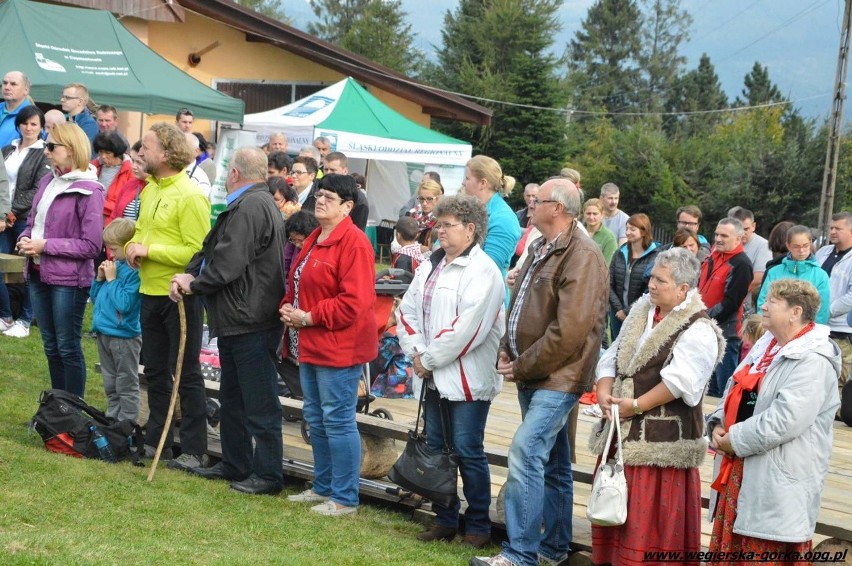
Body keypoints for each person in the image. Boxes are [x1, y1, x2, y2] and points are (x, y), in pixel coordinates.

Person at [473, 178, 608, 566]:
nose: (529, 203)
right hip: (535, 371)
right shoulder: (539, 245)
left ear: (560, 208)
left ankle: (520, 553)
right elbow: (520, 307)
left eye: (539, 199)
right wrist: (505, 346)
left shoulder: (582, 254)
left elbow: (570, 331)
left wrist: (522, 363)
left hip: (560, 376)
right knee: (553, 463)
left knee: (525, 452)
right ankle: (553, 547)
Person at [591, 248, 724, 565]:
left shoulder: (699, 328)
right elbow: (613, 356)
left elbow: (681, 383)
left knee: (652, 524)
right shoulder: (641, 311)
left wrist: (634, 406)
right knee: (614, 510)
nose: (651, 284)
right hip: (622, 432)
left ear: (683, 289)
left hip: (663, 445)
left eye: (660, 280)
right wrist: (604, 392)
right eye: (651, 277)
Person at [171, 147, 287, 496]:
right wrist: (190, 273)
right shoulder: (249, 204)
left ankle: (267, 474)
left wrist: (195, 283)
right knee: (234, 398)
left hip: (250, 318)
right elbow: (211, 251)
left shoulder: (251, 206)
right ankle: (236, 463)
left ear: (234, 173)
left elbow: (226, 263)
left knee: (260, 401)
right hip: (240, 317)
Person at [397, 194, 505, 548]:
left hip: (467, 380)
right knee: (438, 448)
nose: (439, 231)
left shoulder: (484, 271)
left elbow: (468, 329)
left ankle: (477, 526)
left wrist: (426, 360)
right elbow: (407, 312)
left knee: (468, 450)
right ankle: (444, 518)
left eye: (447, 225)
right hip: (432, 375)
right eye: (438, 224)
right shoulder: (430, 264)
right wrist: (417, 352)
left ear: (471, 229)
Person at [708, 279, 840, 558]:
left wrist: (735, 439)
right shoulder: (766, 346)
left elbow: (784, 420)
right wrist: (718, 424)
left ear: (795, 312)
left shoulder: (813, 360)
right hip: (742, 468)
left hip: (777, 479)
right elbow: (733, 389)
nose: (763, 306)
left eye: (772, 302)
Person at [281, 174, 377, 516]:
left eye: (329, 198)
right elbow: (299, 279)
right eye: (319, 195)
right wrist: (288, 305)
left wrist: (308, 317)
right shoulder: (316, 236)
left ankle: (345, 497)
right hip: (311, 341)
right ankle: (322, 487)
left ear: (348, 206)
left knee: (337, 419)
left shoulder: (354, 242)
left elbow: (354, 302)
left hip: (340, 345)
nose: (320, 201)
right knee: (315, 418)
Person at [126, 122, 210, 470]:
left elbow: (198, 251)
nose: (140, 152)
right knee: (157, 370)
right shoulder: (149, 190)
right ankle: (156, 440)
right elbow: (139, 234)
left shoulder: (190, 195)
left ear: (165, 153)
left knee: (187, 372)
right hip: (149, 291)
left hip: (180, 296)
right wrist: (132, 246)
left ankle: (195, 449)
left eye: (146, 147)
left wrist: (150, 250)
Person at [17, 123, 104, 396]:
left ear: (71, 149)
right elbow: (35, 221)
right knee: (51, 345)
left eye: (52, 146)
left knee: (67, 347)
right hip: (38, 272)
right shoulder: (48, 181)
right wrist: (26, 237)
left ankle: (73, 411)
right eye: (46, 144)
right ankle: (57, 408)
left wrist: (45, 245)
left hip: (68, 279)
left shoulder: (90, 189)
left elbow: (92, 245)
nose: (46, 151)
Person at [0, 105, 51, 337]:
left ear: (41, 128)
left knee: (26, 270)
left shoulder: (43, 153)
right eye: (25, 123)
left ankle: (25, 319)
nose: (29, 128)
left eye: (34, 124)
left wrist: (11, 212)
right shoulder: (7, 149)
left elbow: (38, 189)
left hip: (25, 219)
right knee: (1, 267)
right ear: (18, 124)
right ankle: (5, 315)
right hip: (3, 217)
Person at [90, 218, 142, 421]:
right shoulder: (116, 266)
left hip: (123, 337)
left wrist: (111, 280)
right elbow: (96, 299)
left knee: (126, 384)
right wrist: (100, 279)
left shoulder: (134, 272)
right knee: (110, 383)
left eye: (114, 249)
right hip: (104, 332)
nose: (110, 254)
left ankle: (126, 425)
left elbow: (125, 304)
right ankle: (112, 421)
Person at [699, 218, 754, 398]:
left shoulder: (742, 264)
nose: (718, 239)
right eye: (716, 234)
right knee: (706, 387)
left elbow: (731, 303)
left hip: (726, 333)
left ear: (738, 239)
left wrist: (704, 317)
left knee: (723, 390)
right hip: (706, 329)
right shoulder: (713, 256)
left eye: (724, 235)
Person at [814, 211, 852, 418]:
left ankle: (834, 417)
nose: (833, 232)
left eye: (838, 228)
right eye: (831, 228)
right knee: (819, 373)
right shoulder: (823, 252)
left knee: (840, 376)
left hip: (843, 329)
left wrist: (827, 311)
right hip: (818, 325)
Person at [463, 155, 521, 285]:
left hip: (484, 295)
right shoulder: (469, 209)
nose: (463, 183)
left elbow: (488, 268)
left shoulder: (504, 219)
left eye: (467, 178)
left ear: (483, 183)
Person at [756, 225, 830, 324]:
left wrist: (813, 334)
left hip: (807, 334)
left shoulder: (821, 275)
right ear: (788, 245)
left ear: (811, 243)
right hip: (776, 330)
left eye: (805, 245)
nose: (801, 250)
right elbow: (763, 304)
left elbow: (822, 311)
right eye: (796, 246)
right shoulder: (774, 272)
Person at [608, 213, 659, 339]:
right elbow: (607, 283)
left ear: (643, 231)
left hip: (640, 313)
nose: (627, 232)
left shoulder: (655, 256)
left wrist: (628, 311)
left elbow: (649, 290)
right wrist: (619, 309)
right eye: (627, 228)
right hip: (616, 314)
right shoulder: (620, 253)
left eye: (632, 229)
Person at [92, 131, 133, 223]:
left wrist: (96, 203)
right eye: (101, 152)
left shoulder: (130, 172)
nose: (103, 156)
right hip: (92, 219)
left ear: (117, 152)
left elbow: (124, 205)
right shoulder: (92, 167)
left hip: (113, 223)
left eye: (107, 153)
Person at [107, 141, 147, 223]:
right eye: (132, 160)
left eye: (139, 162)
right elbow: (114, 216)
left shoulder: (159, 188)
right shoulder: (130, 184)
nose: (133, 166)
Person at [402, 178, 442, 255]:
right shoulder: (410, 214)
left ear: (437, 199)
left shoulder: (441, 220)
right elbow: (396, 244)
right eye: (421, 199)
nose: (424, 203)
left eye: (429, 199)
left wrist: (409, 246)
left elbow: (436, 251)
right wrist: (419, 248)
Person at [282, 210, 319, 293]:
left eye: (301, 240)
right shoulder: (291, 245)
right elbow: (285, 265)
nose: (297, 245)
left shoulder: (317, 248)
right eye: (294, 240)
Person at [0, 71, 32, 147]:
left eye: (13, 84)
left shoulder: (32, 116)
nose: (7, 87)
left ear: (26, 90)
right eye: (4, 83)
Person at [582, 197, 617, 264]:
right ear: (584, 213)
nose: (591, 217)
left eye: (595, 214)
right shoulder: (578, 232)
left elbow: (607, 265)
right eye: (588, 213)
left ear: (602, 215)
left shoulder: (609, 238)